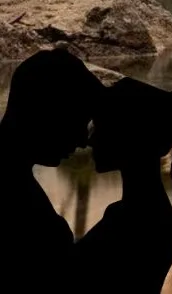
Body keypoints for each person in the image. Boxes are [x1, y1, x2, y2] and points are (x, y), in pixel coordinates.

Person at [76, 77, 172, 291]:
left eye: (102, 125)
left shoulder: (134, 223)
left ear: (130, 136)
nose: (90, 139)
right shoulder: (148, 214)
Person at [0, 48, 103, 289]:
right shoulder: (17, 198)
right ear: (47, 113)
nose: (82, 140)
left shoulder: (15, 179)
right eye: (78, 121)